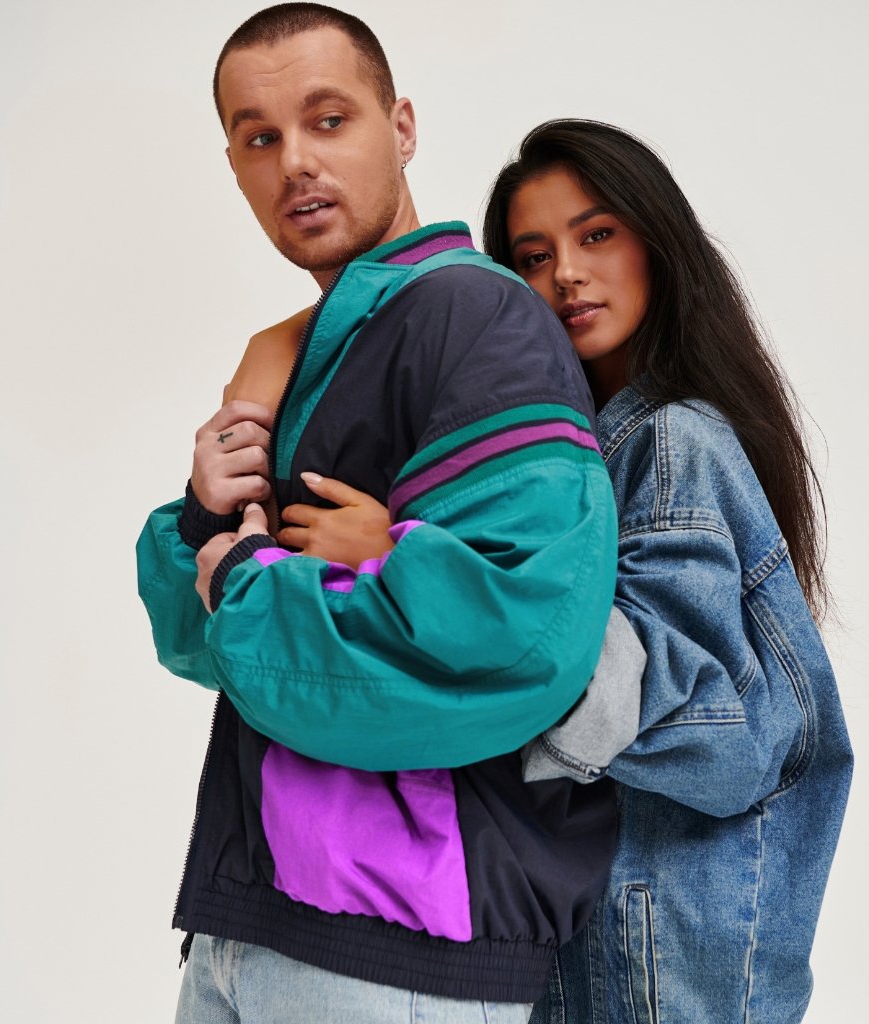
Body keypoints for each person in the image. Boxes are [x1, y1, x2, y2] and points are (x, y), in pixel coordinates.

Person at [135, 7, 622, 1021]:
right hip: (252, 919)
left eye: (328, 119)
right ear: (231, 163)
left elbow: (523, 635)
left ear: (400, 127)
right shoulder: (324, 342)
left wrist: (243, 575)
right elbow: (201, 643)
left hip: (390, 948)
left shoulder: (472, 317)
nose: (295, 164)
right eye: (260, 137)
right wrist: (203, 521)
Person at [481, 120, 855, 1024]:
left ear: (658, 241)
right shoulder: (595, 457)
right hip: (608, 942)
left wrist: (424, 584)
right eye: (533, 257)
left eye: (596, 234)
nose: (565, 273)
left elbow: (718, 735)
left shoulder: (672, 439)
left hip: (661, 957)